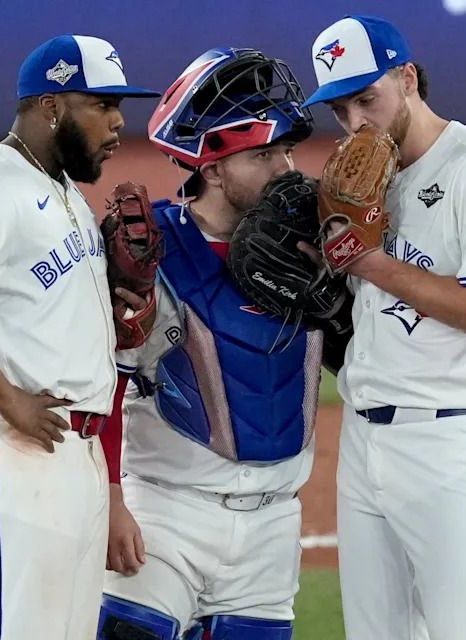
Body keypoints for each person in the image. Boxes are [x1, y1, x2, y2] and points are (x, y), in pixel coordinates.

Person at [0, 34, 159, 640]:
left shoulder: (62, 189)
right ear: (50, 106)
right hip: (11, 446)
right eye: (101, 104)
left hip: (74, 455)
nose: (119, 122)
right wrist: (5, 398)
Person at [301, 15, 466, 640]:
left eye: (366, 98)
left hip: (452, 445)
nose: (355, 121)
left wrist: (371, 264)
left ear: (406, 78)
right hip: (364, 441)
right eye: (340, 108)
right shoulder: (353, 184)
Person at [94, 47, 321, 640]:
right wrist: (111, 501)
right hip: (165, 514)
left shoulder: (320, 251)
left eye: (289, 151)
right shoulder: (146, 250)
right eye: (266, 154)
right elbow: (107, 383)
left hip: (274, 526)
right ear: (213, 166)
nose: (287, 170)